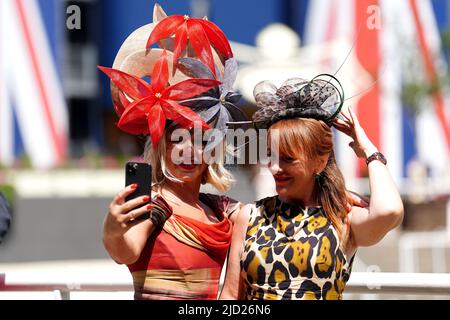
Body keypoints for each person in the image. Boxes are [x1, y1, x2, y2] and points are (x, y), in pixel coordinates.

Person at [101, 5, 244, 300]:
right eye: (179, 138)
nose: (190, 150)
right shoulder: (155, 203)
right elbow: (126, 251)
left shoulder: (225, 212)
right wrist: (113, 229)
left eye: (202, 139)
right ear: (161, 144)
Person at [220, 76, 404, 300]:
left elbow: (389, 211)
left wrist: (367, 149)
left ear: (320, 161)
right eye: (270, 155)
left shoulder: (342, 219)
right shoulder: (249, 216)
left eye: (288, 159)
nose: (275, 168)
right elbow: (230, 296)